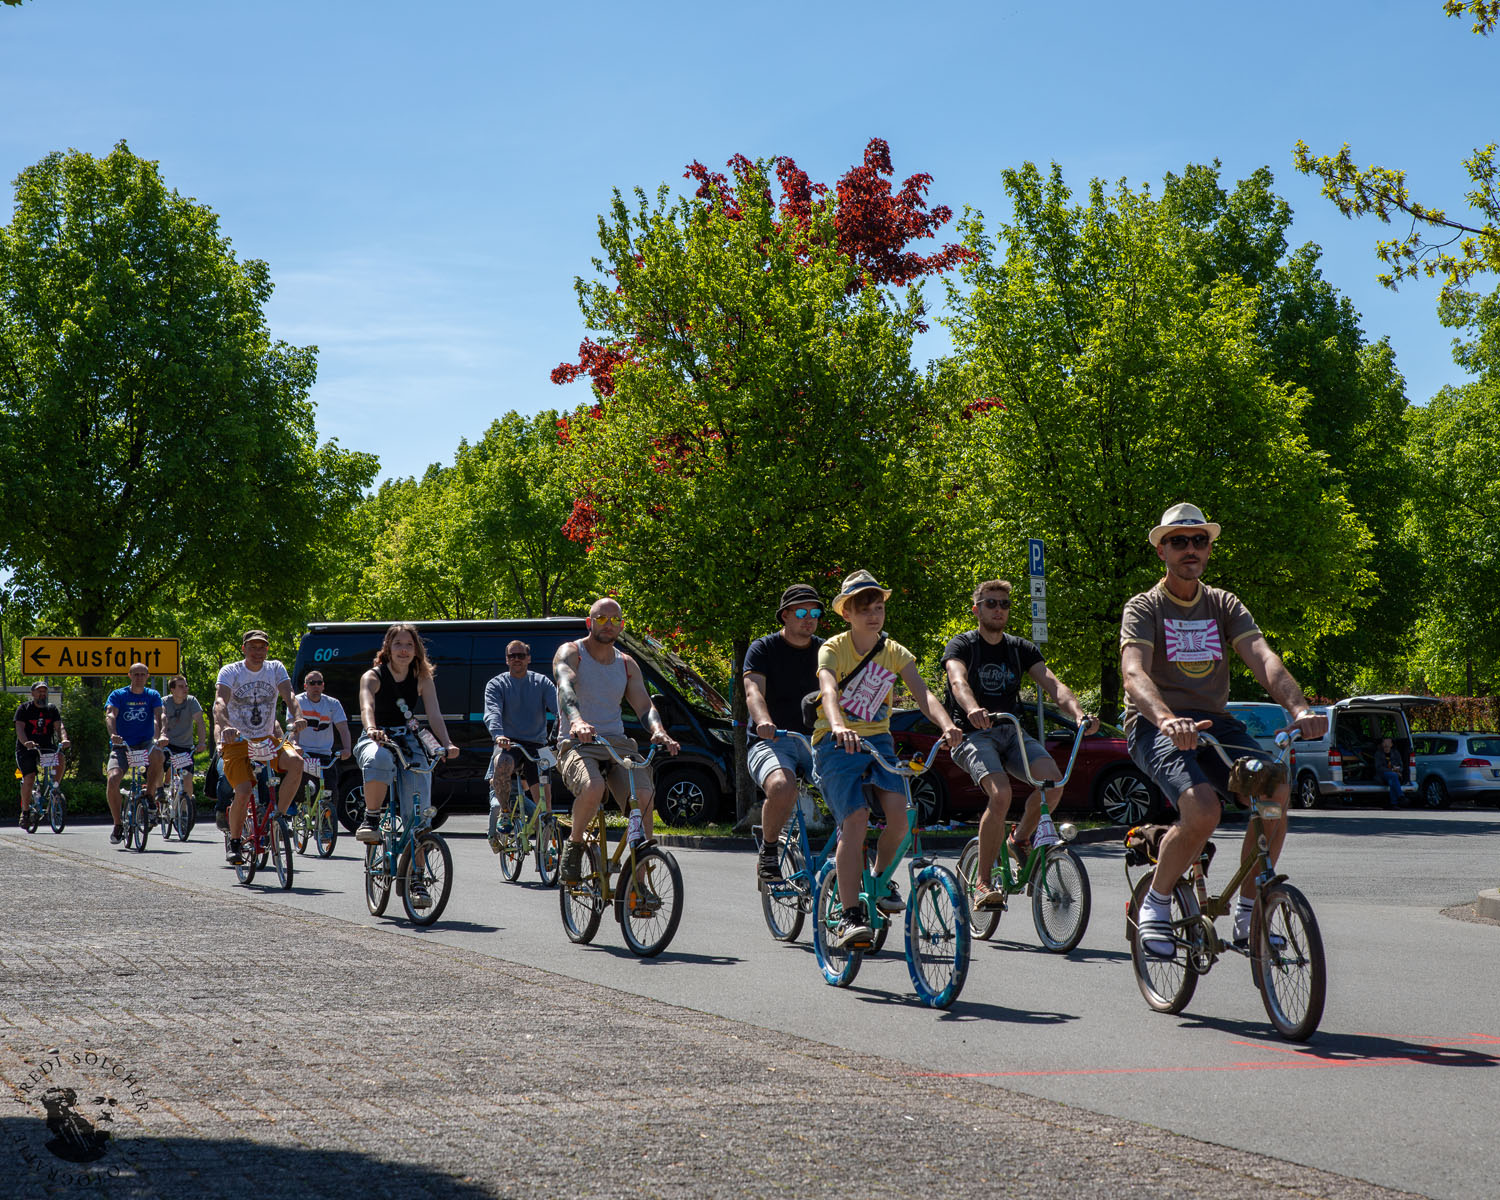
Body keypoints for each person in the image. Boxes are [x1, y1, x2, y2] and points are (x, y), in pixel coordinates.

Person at [1121, 503, 1326, 957]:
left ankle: (1249, 912)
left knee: (1274, 790)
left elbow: (1263, 657)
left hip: (1216, 723)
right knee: (1203, 810)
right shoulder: (1145, 607)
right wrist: (1166, 719)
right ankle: (1156, 901)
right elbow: (1133, 673)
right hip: (1155, 726)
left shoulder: (1223, 604)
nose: (1190, 549)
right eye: (1178, 541)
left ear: (1209, 548)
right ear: (1161, 551)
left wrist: (1299, 709)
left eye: (1199, 540)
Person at [812, 570, 962, 950]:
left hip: (879, 740)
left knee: (900, 818)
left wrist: (947, 725)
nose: (873, 615)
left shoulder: (895, 652)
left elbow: (924, 695)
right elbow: (828, 691)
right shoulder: (832, 648)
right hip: (835, 741)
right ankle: (850, 916)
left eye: (878, 608)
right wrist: (838, 725)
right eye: (864, 609)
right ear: (847, 613)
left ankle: (878, 880)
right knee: (856, 819)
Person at [944, 579, 1099, 910]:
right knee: (1001, 794)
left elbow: (1053, 684)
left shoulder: (1020, 648)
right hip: (973, 734)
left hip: (1011, 731)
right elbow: (958, 681)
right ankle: (983, 883)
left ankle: (1020, 839)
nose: (998, 610)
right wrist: (972, 709)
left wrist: (1079, 714)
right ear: (976, 610)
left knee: (1054, 783)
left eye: (1004, 604)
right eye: (991, 603)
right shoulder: (963, 645)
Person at [552, 598, 680, 883]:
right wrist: (577, 721)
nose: (608, 624)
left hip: (617, 743)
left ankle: (640, 882)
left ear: (621, 626)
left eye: (614, 620)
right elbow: (565, 687)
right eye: (601, 618)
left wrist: (658, 730)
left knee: (644, 797)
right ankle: (574, 845)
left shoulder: (626, 663)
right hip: (578, 742)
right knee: (593, 786)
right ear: (589, 622)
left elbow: (644, 706)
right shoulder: (572, 652)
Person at [743, 584, 824, 885]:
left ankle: (860, 861)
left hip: (816, 740)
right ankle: (769, 851)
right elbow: (753, 692)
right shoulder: (763, 649)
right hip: (772, 739)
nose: (809, 619)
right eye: (801, 612)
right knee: (781, 786)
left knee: (854, 786)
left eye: (815, 612)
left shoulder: (826, 651)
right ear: (785, 615)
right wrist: (764, 721)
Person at [353, 623, 459, 844]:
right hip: (377, 736)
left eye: (409, 645)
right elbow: (366, 707)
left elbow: (434, 714)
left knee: (421, 783)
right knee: (379, 758)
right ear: (388, 647)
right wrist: (371, 729)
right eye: (398, 644)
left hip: (408, 738)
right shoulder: (372, 676)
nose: (404, 650)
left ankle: (418, 853)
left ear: (416, 649)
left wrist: (447, 743)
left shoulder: (422, 677)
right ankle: (371, 819)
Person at [215, 630, 306, 865]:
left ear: (267, 649)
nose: (258, 652)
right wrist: (225, 726)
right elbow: (220, 702)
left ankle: (278, 817)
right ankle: (235, 842)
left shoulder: (275, 668)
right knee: (244, 791)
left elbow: (289, 695)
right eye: (253, 647)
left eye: (262, 647)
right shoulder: (231, 671)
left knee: (297, 763)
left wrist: (297, 716)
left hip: (266, 738)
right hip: (238, 740)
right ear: (243, 648)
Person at [483, 640, 558, 851]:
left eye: (521, 655)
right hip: (509, 743)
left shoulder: (542, 682)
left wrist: (565, 731)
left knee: (545, 803)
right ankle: (505, 812)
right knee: (501, 764)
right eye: (512, 656)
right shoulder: (496, 684)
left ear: (529, 658)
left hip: (537, 744)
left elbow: (559, 709)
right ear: (506, 659)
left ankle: (546, 848)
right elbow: (492, 712)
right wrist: (498, 735)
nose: (517, 659)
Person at [105, 663, 166, 844]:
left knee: (158, 755)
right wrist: (113, 734)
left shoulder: (152, 695)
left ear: (147, 676)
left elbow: (160, 715)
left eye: (142, 674)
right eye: (136, 674)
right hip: (122, 745)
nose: (139, 677)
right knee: (113, 779)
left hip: (145, 743)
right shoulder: (118, 695)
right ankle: (118, 824)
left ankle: (150, 795)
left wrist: (163, 734)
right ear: (129, 675)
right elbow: (110, 714)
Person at [294, 669, 354, 807]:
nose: (316, 686)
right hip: (304, 752)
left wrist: (347, 748)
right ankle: (296, 809)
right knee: (302, 788)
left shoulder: (333, 703)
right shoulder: (297, 702)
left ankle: (329, 816)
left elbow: (343, 728)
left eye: (319, 683)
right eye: (312, 683)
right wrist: (296, 745)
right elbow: (294, 727)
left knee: (331, 790)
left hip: (325, 753)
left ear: (323, 686)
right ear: (305, 686)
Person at [14, 681, 70, 826]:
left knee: (60, 757)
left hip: (45, 747)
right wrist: (26, 742)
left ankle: (55, 790)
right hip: (26, 749)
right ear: (33, 693)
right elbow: (19, 729)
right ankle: (25, 813)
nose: (42, 694)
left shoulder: (51, 709)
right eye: (39, 691)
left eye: (44, 691)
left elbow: (59, 727)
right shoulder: (24, 709)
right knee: (30, 777)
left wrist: (64, 739)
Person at [158, 675, 208, 803]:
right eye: (181, 686)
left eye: (186, 686)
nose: (185, 689)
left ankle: (186, 809)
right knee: (159, 764)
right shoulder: (164, 702)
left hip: (185, 747)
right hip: (167, 744)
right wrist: (160, 738)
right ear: (172, 689)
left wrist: (202, 742)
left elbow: (200, 722)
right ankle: (160, 791)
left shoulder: (191, 701)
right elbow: (160, 720)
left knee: (187, 780)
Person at [1374, 736, 1405, 809]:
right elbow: (1378, 768)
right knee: (1393, 776)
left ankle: (1393, 803)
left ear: (1391, 744)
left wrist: (1398, 769)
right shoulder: (1378, 754)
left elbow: (1401, 766)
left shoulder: (1396, 753)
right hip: (1382, 775)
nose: (1386, 744)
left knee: (1392, 781)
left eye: (1388, 742)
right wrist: (1392, 770)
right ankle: (1400, 796)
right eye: (1385, 742)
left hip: (1394, 775)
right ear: (1382, 744)